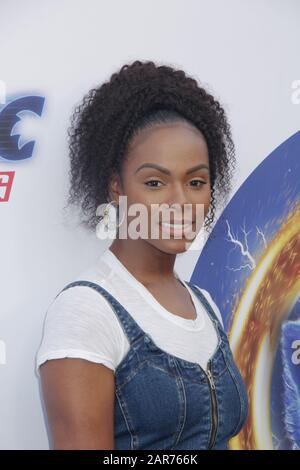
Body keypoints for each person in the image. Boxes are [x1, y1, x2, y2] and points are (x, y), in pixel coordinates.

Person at [36, 59, 248, 450]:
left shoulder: (203, 305)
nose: (181, 202)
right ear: (116, 187)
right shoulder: (86, 312)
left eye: (196, 181)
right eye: (155, 182)